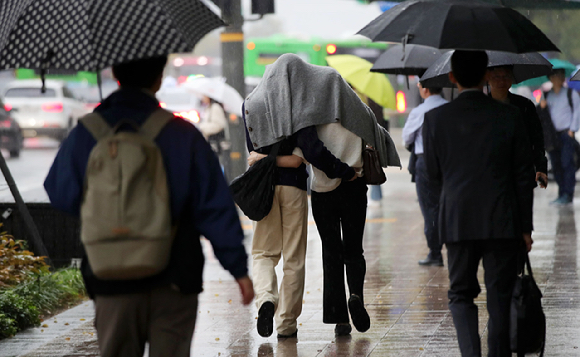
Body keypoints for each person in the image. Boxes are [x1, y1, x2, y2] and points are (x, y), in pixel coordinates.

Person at [44, 56, 254, 357]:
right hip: (175, 278)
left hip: (110, 275)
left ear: (115, 73)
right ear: (159, 77)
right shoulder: (181, 133)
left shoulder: (87, 132)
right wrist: (238, 269)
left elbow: (60, 192)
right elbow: (214, 207)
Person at [244, 54, 400, 338]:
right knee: (343, 251)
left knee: (313, 252)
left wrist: (335, 170)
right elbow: (375, 136)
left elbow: (305, 150)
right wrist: (350, 171)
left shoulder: (281, 110)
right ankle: (339, 302)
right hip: (331, 186)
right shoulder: (352, 110)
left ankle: (324, 314)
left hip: (306, 190)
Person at [422, 50, 534, 357]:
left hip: (457, 220)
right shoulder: (509, 116)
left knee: (460, 294)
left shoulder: (434, 119)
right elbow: (523, 175)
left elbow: (431, 175)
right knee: (500, 296)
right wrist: (526, 228)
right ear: (487, 74)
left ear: (452, 77)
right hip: (503, 219)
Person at [243, 107, 357, 339]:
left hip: (263, 189)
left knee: (263, 253)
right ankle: (286, 324)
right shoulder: (296, 108)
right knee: (294, 259)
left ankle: (266, 299)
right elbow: (298, 159)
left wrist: (263, 157)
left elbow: (252, 152)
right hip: (293, 188)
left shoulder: (251, 105)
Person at [402, 83, 448, 266]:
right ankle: (452, 247)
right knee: (448, 205)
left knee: (430, 208)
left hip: (425, 163)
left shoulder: (419, 112)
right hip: (448, 163)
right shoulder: (449, 109)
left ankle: (435, 252)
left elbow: (407, 139)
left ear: (425, 89)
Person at [487, 65, 548, 189]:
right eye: (497, 77)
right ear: (488, 78)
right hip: (489, 175)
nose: (501, 81)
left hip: (521, 173)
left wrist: (541, 167)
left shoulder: (524, 106)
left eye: (506, 76)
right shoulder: (481, 107)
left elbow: (536, 138)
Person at [540, 68, 580, 205]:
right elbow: (541, 115)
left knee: (567, 164)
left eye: (562, 75)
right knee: (556, 165)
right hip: (552, 136)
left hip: (566, 134)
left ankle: (568, 194)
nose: (560, 78)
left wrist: (572, 130)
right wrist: (541, 106)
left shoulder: (571, 93)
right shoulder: (546, 95)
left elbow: (577, 112)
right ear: (551, 78)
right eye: (556, 76)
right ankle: (561, 192)